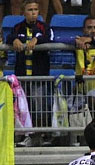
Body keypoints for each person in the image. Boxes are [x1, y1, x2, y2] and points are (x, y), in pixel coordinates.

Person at [8, 0, 53, 147]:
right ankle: (27, 136)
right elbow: (9, 37)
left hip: (39, 76)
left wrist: (37, 39)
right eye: (29, 10)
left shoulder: (44, 27)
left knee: (40, 106)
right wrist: (14, 40)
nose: (33, 12)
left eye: (35, 10)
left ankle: (45, 136)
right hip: (22, 76)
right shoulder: (17, 27)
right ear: (23, 12)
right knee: (23, 107)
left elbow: (49, 38)